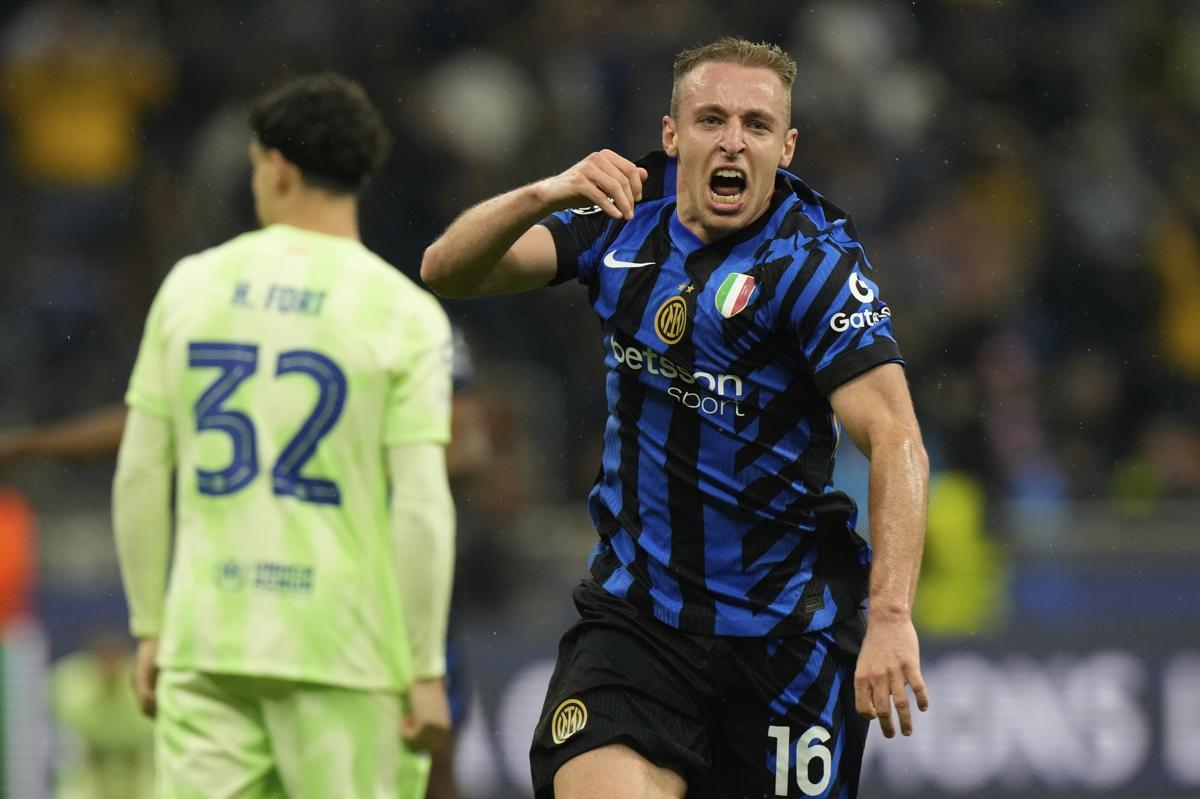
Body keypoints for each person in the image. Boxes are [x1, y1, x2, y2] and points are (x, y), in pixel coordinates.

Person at [422, 37, 930, 798]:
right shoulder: (622, 215)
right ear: (672, 134)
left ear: (786, 147)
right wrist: (544, 194)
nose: (733, 141)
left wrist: (891, 615)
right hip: (639, 624)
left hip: (786, 641)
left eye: (757, 125)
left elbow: (896, 440)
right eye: (711, 119)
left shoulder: (814, 263)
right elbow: (449, 270)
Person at [113, 73, 455, 799]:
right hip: (345, 649)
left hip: (208, 638)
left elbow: (140, 470)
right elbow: (421, 502)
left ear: (278, 167)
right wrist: (425, 665)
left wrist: (150, 625)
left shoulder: (190, 287)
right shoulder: (403, 313)